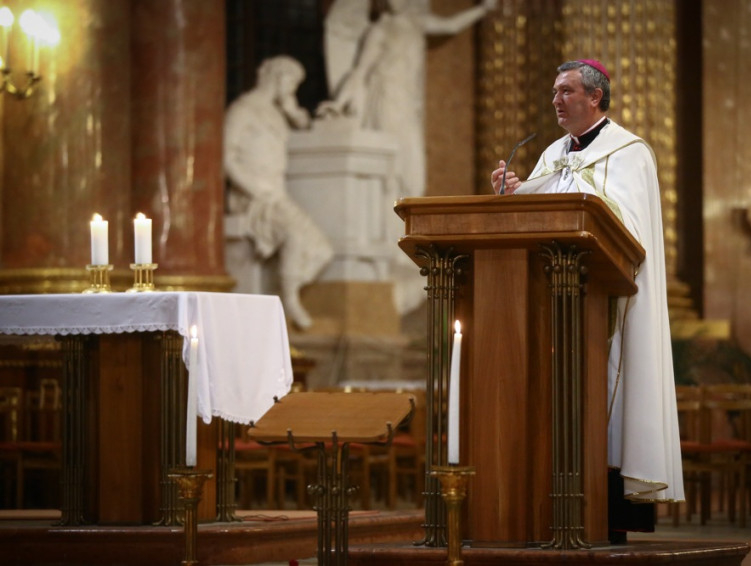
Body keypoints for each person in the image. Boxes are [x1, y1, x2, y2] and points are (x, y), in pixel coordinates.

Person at [491, 59, 685, 540]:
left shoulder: (630, 152)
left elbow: (629, 229)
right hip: (552, 306)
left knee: (605, 399)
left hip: (604, 303)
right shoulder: (553, 153)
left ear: (595, 97)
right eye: (555, 92)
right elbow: (541, 214)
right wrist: (514, 195)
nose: (555, 100)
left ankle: (607, 516)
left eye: (566, 91)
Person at [318, 0, 497, 199]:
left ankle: (408, 200)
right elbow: (360, 71)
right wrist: (339, 103)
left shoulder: (417, 22)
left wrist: (482, 10)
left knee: (411, 157)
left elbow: (450, 25)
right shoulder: (379, 30)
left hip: (407, 99)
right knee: (393, 154)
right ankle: (389, 204)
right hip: (386, 96)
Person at [224, 56, 333, 330]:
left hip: (276, 195)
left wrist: (291, 108)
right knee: (295, 234)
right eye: (291, 82)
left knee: (323, 250)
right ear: (276, 76)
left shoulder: (276, 113)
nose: (292, 88)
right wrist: (253, 189)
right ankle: (290, 299)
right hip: (252, 198)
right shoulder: (243, 110)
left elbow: (306, 127)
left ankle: (283, 284)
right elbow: (227, 158)